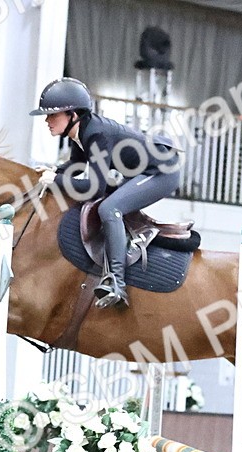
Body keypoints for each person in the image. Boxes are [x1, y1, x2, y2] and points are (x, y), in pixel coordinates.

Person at [30, 78, 181, 308]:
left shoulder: (95, 134)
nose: (47, 120)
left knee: (110, 208)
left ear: (72, 114)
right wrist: (54, 171)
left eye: (53, 115)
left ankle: (116, 283)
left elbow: (94, 187)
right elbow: (76, 166)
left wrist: (56, 181)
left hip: (161, 171)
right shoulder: (79, 133)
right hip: (142, 171)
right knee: (109, 205)